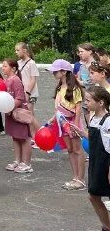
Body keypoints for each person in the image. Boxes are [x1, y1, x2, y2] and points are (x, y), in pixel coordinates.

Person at [70, 86, 110, 230]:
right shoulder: (93, 117)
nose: (86, 103)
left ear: (100, 103)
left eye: (89, 100)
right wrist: (81, 132)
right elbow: (94, 138)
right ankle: (107, 225)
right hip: (95, 162)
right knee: (93, 196)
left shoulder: (108, 121)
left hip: (106, 163)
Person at [48, 59, 85, 190]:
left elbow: (78, 107)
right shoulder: (60, 87)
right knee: (69, 149)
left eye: (55, 71)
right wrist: (53, 118)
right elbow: (59, 107)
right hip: (61, 121)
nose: (53, 73)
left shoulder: (74, 88)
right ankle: (75, 177)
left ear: (64, 72)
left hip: (71, 121)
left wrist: (75, 125)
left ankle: (80, 179)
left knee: (77, 150)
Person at [2, 58, 33, 174]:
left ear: (13, 68)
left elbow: (19, 98)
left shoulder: (16, 80)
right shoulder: (6, 80)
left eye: (5, 66)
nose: (3, 68)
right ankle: (18, 160)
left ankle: (27, 163)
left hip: (18, 113)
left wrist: (9, 107)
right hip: (10, 113)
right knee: (15, 137)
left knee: (23, 138)